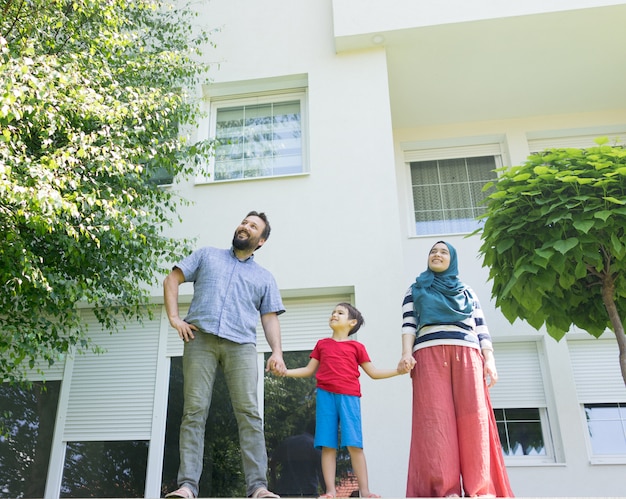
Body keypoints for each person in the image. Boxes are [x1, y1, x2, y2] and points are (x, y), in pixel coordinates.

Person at [163, 211, 286, 499]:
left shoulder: (264, 277)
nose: (245, 226)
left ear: (261, 240)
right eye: (244, 222)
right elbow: (172, 280)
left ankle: (258, 488)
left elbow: (269, 318)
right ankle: (187, 487)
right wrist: (174, 318)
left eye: (253, 226)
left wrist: (277, 352)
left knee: (250, 415)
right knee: (193, 412)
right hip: (200, 340)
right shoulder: (207, 256)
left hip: (241, 345)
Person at [397, 241, 514, 498]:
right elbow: (409, 324)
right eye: (432, 252)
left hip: (468, 352)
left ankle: (480, 489)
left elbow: (481, 327)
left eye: (443, 252)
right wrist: (406, 353)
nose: (437, 255)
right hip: (428, 353)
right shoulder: (416, 289)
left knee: (474, 419)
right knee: (436, 421)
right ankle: (445, 489)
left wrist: (490, 360)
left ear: (453, 260)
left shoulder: (467, 291)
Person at [276, 303, 410, 499]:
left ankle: (365, 491)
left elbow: (373, 372)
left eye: (340, 313)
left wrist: (398, 371)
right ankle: (330, 491)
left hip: (349, 397)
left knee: (354, 445)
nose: (334, 315)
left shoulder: (357, 347)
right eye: (333, 312)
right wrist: (285, 372)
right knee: (327, 445)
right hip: (325, 396)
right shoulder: (322, 344)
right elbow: (308, 370)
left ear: (352, 322)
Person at [269, 430, 323, 497]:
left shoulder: (288, 442)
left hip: (284, 490)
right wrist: (328, 492)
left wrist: (274, 483)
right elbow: (322, 473)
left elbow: (272, 461)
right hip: (307, 491)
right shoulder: (315, 446)